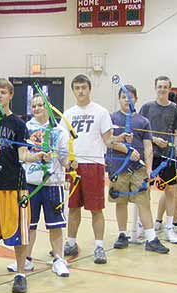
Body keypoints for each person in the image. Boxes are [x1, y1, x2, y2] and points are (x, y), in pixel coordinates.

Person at [0, 78, 48, 293]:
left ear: (10, 95)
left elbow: (23, 155)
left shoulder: (18, 125)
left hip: (14, 186)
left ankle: (20, 273)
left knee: (19, 233)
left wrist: (39, 156)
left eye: (3, 92)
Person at [10, 93, 71, 277]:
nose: (36, 108)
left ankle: (58, 259)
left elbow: (64, 158)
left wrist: (71, 162)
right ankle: (26, 260)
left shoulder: (59, 130)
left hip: (53, 183)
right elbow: (22, 154)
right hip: (30, 183)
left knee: (55, 224)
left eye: (40, 105)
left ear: (48, 107)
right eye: (33, 105)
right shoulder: (25, 128)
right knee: (29, 225)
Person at [108, 84, 169, 254]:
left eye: (130, 96)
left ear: (136, 99)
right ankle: (122, 234)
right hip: (118, 167)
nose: (127, 99)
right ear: (119, 99)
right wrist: (124, 148)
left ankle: (151, 238)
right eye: (123, 97)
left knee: (143, 202)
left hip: (138, 169)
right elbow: (108, 141)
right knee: (120, 202)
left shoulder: (143, 121)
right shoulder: (112, 118)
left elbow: (148, 147)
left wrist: (149, 169)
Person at [62, 74, 113, 264]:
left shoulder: (101, 112)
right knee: (73, 207)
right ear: (73, 91)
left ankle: (99, 247)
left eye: (84, 87)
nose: (81, 91)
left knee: (96, 209)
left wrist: (120, 141)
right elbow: (61, 142)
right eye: (77, 88)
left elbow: (109, 140)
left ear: (89, 89)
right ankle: (70, 242)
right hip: (74, 166)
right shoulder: (67, 114)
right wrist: (66, 161)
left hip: (95, 165)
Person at [139, 76, 177, 244]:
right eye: (159, 86)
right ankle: (144, 225)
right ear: (155, 88)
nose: (162, 89)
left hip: (168, 156)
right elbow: (141, 131)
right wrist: (154, 140)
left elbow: (176, 133)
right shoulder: (147, 107)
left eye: (165, 87)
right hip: (150, 155)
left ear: (169, 89)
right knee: (144, 191)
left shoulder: (175, 110)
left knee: (170, 190)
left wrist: (176, 147)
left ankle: (170, 227)